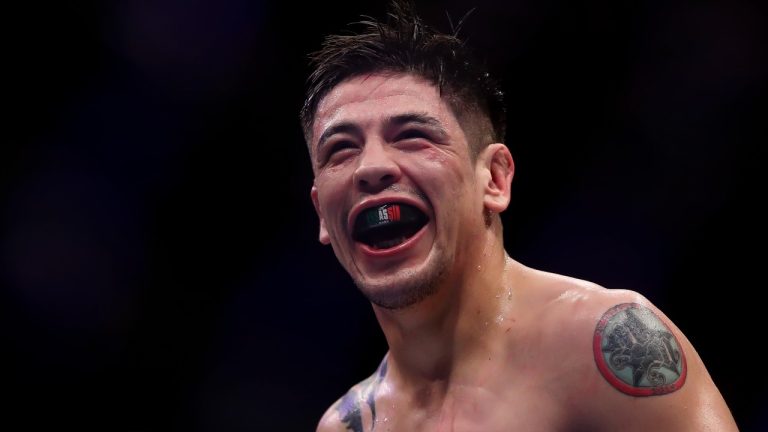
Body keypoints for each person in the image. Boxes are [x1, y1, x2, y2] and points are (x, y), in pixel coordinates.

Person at [300, 1, 737, 430]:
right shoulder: (348, 424)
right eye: (341, 149)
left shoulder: (608, 344)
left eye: (412, 136)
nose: (371, 167)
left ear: (494, 178)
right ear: (322, 212)